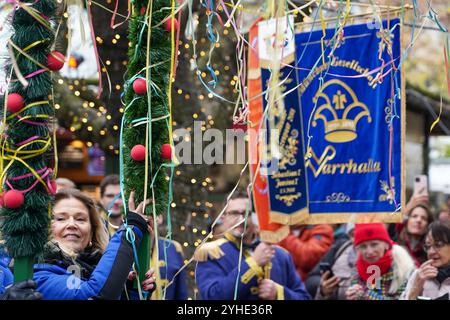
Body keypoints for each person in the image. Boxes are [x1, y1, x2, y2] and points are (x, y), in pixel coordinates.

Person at [33, 188, 156, 299]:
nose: (71, 224)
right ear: (45, 229)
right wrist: (131, 230)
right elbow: (94, 294)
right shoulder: (37, 273)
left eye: (80, 219)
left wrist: (128, 290)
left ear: (92, 231)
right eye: (61, 219)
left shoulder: (97, 269)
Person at [194, 192, 311, 300]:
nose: (241, 219)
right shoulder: (210, 253)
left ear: (254, 217)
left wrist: (278, 292)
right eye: (234, 213)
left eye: (246, 214)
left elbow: (304, 297)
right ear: (223, 218)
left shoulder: (281, 255)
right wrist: (253, 263)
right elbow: (214, 296)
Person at [345, 223, 416, 300]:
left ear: (386, 245)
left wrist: (365, 296)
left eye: (374, 244)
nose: (369, 251)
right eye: (363, 246)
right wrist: (352, 294)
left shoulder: (404, 268)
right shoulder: (358, 269)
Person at [306, 223, 357, 300]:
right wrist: (323, 289)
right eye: (353, 234)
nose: (369, 251)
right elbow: (311, 280)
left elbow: (306, 255)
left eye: (374, 244)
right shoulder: (341, 247)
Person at [401, 220, 450, 300]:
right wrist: (415, 290)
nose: (431, 252)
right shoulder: (419, 275)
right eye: (428, 246)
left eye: (438, 245)